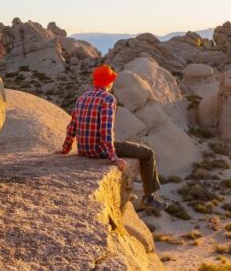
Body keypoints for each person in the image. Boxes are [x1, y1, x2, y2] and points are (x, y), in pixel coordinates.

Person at [56, 64, 167, 210]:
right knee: (148, 153)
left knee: (131, 147)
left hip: (83, 149)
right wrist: (113, 157)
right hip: (99, 150)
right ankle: (149, 197)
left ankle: (137, 194)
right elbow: (105, 130)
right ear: (109, 83)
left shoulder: (81, 98)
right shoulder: (108, 99)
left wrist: (66, 149)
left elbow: (72, 127)